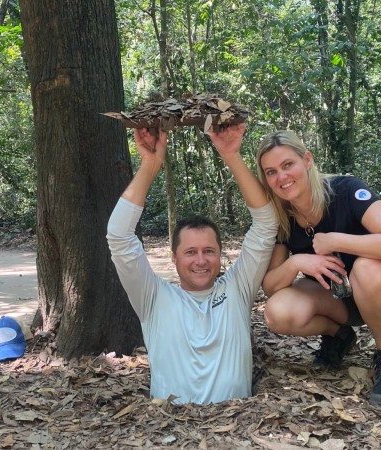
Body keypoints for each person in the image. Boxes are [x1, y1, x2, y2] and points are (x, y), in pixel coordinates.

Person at [106, 123, 277, 404]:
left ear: (221, 255)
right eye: (190, 252)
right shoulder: (154, 298)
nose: (201, 260)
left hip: (237, 429)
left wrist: (231, 154)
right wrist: (150, 164)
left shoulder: (237, 289)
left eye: (209, 251)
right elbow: (119, 236)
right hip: (170, 431)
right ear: (174, 259)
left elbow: (266, 224)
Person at [254, 130, 381, 407]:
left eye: (288, 165)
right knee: (278, 311)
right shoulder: (283, 217)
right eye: (271, 172)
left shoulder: (345, 191)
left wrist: (335, 240)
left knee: (368, 268)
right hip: (342, 298)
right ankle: (339, 335)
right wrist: (297, 262)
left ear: (307, 160)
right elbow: (271, 286)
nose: (281, 177)